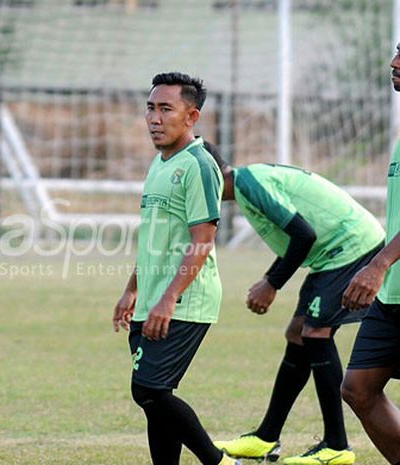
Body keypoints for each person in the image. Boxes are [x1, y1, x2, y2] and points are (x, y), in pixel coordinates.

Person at [208, 147, 384, 465]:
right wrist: (270, 279)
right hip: (331, 253)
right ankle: (266, 438)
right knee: (298, 334)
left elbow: (303, 235)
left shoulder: (250, 184)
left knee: (316, 333)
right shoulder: (248, 184)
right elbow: (298, 237)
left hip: (350, 247)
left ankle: (336, 446)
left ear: (212, 176)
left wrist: (271, 284)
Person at [112, 72, 239, 465]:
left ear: (191, 116)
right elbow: (155, 237)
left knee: (148, 390)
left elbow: (203, 239)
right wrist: (133, 289)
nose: (154, 117)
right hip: (152, 297)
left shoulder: (199, 165)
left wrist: (169, 298)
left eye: (166, 109)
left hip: (184, 300)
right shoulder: (160, 163)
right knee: (156, 396)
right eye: (150, 108)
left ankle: (218, 462)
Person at [340, 42, 400, 465]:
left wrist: (378, 265)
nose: (394, 63)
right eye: (397, 52)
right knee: (358, 388)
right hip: (393, 293)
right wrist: (376, 266)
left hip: (389, 275)